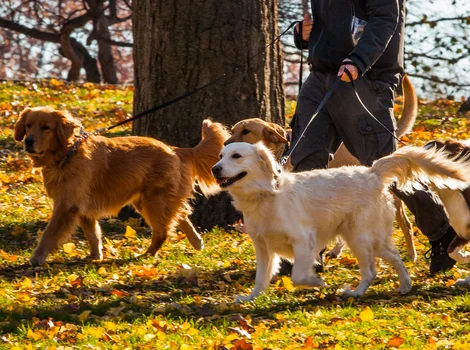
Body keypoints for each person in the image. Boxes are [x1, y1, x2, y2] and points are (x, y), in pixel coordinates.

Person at [290, 0, 456, 274]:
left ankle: (442, 235)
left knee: (388, 166)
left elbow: (385, 19)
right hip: (320, 76)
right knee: (305, 162)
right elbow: (331, 25)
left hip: (366, 78)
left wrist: (359, 60)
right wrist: (304, 34)